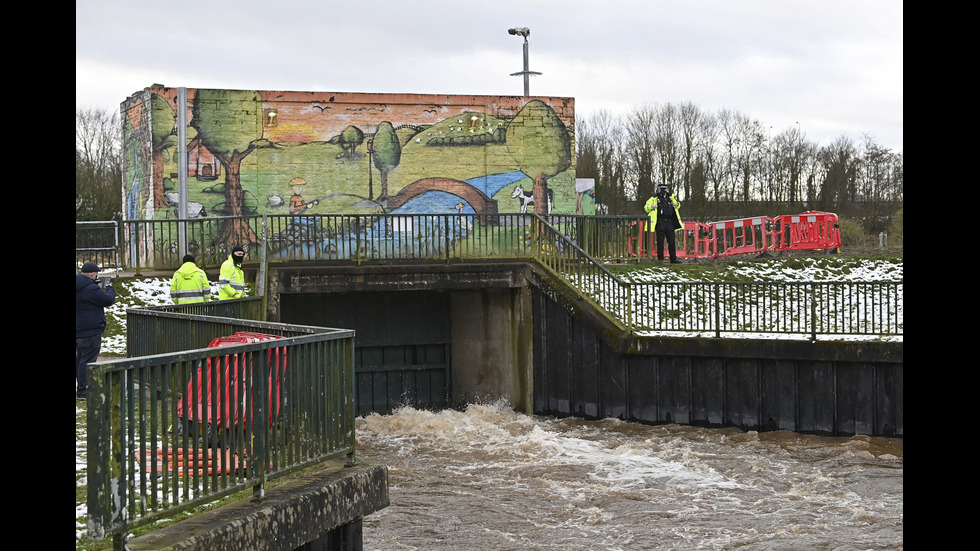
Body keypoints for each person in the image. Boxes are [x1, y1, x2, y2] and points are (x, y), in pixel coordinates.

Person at [76, 261, 116, 400]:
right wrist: (110, 288)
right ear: (93, 274)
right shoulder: (90, 289)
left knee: (80, 360)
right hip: (90, 330)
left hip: (79, 329)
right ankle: (83, 391)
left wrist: (93, 285)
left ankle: (81, 389)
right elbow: (107, 300)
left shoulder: (81, 285)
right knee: (87, 361)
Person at [644, 183, 684, 264]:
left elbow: (677, 206)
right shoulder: (654, 198)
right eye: (661, 189)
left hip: (669, 221)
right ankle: (660, 259)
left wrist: (677, 204)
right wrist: (652, 206)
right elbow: (646, 208)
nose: (663, 191)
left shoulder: (671, 198)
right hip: (660, 221)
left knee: (672, 241)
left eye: (665, 189)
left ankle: (673, 259)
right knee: (660, 241)